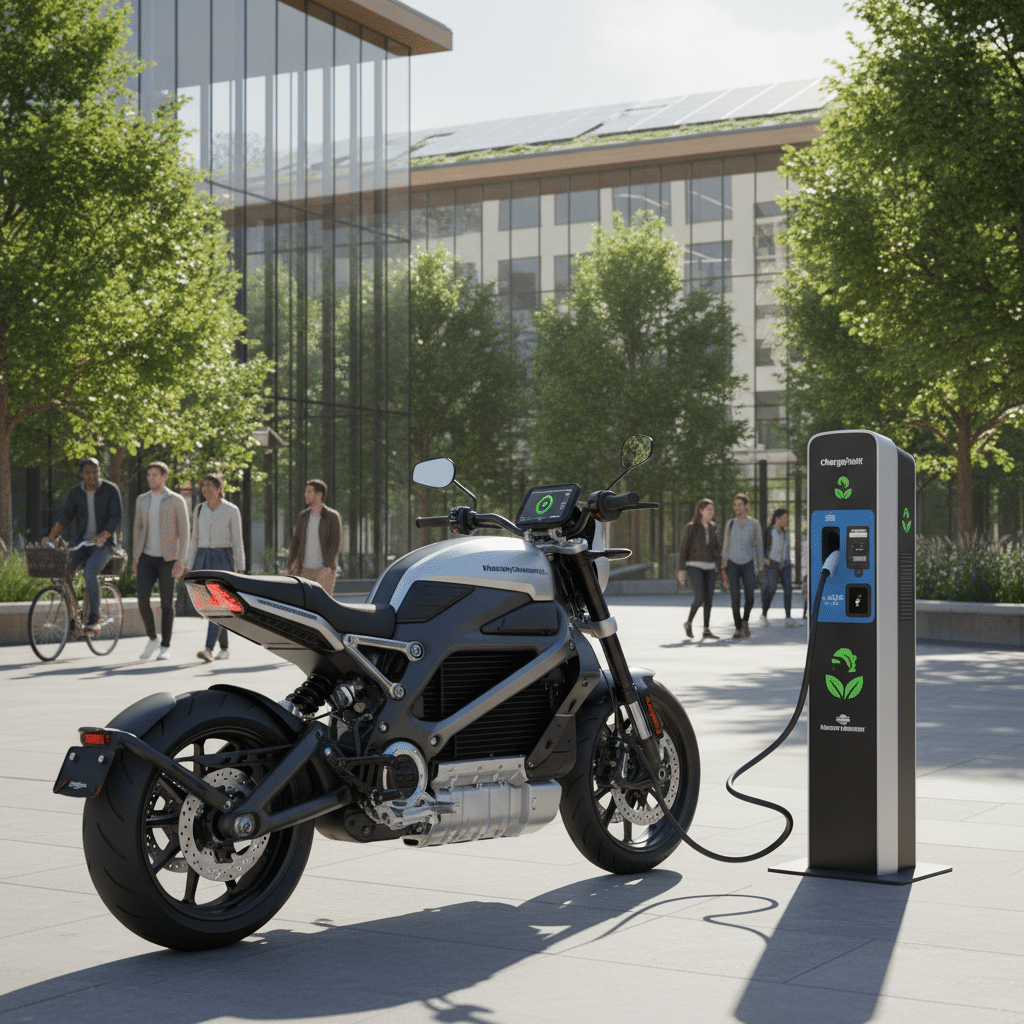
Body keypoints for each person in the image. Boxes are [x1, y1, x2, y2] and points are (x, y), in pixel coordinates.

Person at [45, 457, 122, 634]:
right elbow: (65, 516)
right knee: (60, 572)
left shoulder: (110, 489)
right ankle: (74, 611)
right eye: (87, 472)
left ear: (99, 472)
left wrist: (105, 533)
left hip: (105, 544)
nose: (92, 475)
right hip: (81, 541)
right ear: (81, 474)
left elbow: (116, 515)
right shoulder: (75, 493)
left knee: (89, 573)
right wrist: (51, 536)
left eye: (95, 471)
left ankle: (94, 618)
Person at [178, 473, 245, 663]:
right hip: (202, 557)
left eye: (210, 485)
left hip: (223, 557)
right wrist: (188, 565)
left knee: (216, 605)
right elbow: (194, 539)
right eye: (204, 485)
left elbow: (237, 541)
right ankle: (224, 647)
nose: (206, 489)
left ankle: (208, 648)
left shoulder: (231, 510)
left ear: (219, 489)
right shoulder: (199, 509)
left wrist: (240, 567)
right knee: (214, 606)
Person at [133, 462, 189, 660]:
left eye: (155, 475)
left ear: (165, 476)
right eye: (148, 475)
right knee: (142, 599)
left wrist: (180, 561)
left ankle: (165, 646)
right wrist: (135, 557)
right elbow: (138, 528)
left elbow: (184, 532)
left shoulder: (175, 500)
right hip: (146, 557)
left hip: (168, 558)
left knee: (167, 603)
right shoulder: (142, 500)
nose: (151, 478)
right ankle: (152, 638)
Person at [676, 498, 721, 640]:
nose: (712, 512)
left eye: (713, 510)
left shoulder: (713, 527)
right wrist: (681, 569)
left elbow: (716, 549)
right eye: (708, 510)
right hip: (694, 565)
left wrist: (722, 566)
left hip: (710, 566)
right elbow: (683, 549)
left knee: (709, 599)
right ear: (701, 511)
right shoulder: (690, 527)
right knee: (700, 597)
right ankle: (689, 622)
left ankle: (706, 629)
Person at [285, 478, 342, 592]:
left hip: (324, 572)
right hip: (304, 570)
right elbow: (295, 542)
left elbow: (335, 544)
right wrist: (289, 566)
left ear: (319, 495)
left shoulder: (332, 517)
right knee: (303, 607)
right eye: (306, 492)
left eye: (309, 492)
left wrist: (326, 567)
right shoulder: (302, 516)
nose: (305, 494)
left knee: (323, 607)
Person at [721, 492, 764, 639]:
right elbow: (725, 544)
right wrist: (723, 566)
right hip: (732, 563)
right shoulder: (730, 523)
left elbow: (759, 546)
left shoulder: (754, 524)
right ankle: (738, 627)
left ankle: (745, 620)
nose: (736, 507)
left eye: (739, 505)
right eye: (734, 505)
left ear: (746, 506)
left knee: (750, 597)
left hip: (748, 564)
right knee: (735, 597)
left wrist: (759, 566)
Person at [760, 508, 797, 627]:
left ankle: (788, 617)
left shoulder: (786, 533)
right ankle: (764, 615)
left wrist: (789, 563)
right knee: (771, 589)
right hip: (772, 564)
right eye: (784, 518)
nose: (786, 521)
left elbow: (787, 550)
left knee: (788, 590)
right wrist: (763, 558)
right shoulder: (768, 531)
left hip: (785, 564)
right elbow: (760, 546)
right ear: (777, 519)